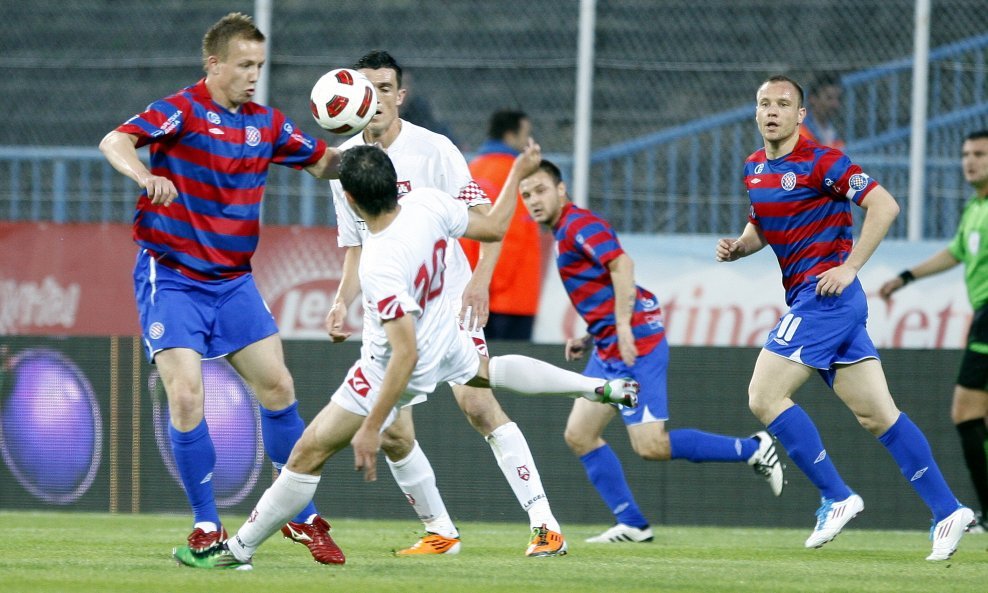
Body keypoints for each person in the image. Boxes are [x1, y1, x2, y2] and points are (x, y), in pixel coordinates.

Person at [172, 143, 639, 570]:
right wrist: (516, 172)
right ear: (396, 183)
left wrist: (371, 426)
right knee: (486, 373)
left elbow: (404, 354)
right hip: (447, 339)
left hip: (393, 368)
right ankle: (599, 388)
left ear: (351, 202)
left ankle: (237, 550)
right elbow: (495, 227)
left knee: (307, 453)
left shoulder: (381, 261)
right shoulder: (430, 204)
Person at [98, 12, 345, 564]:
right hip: (175, 276)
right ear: (214, 64)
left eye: (260, 65)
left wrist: (373, 152)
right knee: (187, 396)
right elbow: (114, 140)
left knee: (279, 389)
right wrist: (144, 175)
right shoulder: (181, 109)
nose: (255, 74)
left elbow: (325, 164)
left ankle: (300, 518)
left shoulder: (269, 123)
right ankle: (206, 525)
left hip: (233, 282)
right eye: (244, 65)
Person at [715, 74, 973, 561]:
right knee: (878, 414)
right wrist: (740, 246)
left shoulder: (822, 160)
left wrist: (850, 266)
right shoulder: (754, 167)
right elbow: (763, 226)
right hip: (821, 304)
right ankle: (948, 510)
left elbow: (885, 204)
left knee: (764, 395)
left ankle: (836, 496)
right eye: (764, 103)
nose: (772, 111)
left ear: (800, 115)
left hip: (826, 298)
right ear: (756, 112)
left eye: (783, 104)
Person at [324, 50, 568, 557]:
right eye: (367, 89)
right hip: (389, 310)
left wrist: (479, 280)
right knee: (390, 430)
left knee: (477, 401)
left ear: (400, 95)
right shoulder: (346, 163)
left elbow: (488, 220)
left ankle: (545, 523)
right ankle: (441, 531)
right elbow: (354, 246)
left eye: (386, 88)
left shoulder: (434, 150)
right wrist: (340, 301)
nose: (377, 99)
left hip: (446, 300)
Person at [518, 160, 785, 543]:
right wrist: (591, 335)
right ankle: (633, 524)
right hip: (609, 347)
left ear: (561, 190)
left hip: (636, 346)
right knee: (579, 434)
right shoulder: (563, 232)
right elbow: (604, 286)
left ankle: (752, 449)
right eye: (526, 195)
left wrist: (623, 326)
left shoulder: (578, 225)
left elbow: (622, 264)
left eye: (540, 190)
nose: (533, 200)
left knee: (651, 445)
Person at [878, 129, 988, 533]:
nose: (970, 161)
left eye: (979, 154)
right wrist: (906, 276)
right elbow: (957, 252)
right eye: (965, 153)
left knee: (965, 412)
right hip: (983, 313)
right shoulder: (976, 208)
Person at [461, 109, 543, 341]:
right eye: (525, 134)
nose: (528, 141)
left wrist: (477, 283)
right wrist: (490, 286)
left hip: (471, 292)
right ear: (510, 135)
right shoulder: (519, 175)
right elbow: (510, 236)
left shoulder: (470, 170)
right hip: (510, 300)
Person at [798, 72, 844, 149]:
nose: (835, 104)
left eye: (838, 98)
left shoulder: (833, 134)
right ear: (812, 98)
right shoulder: (800, 131)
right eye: (829, 98)